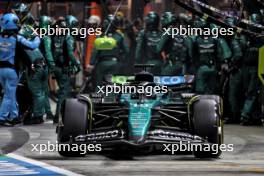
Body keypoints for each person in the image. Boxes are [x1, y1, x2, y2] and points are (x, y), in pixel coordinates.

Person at [0, 13, 40, 126]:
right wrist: (37, 37)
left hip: (0, 71)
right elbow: (32, 46)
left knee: (10, 94)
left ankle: (14, 116)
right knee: (8, 95)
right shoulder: (17, 38)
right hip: (12, 71)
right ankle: (1, 117)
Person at [52, 15, 81, 123]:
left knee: (62, 92)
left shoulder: (57, 35)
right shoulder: (68, 36)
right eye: (74, 25)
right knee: (64, 92)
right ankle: (59, 116)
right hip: (63, 67)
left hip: (56, 66)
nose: (75, 28)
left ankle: (59, 115)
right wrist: (77, 64)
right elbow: (69, 53)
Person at [192, 17, 232, 94]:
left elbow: (192, 55)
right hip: (213, 68)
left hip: (202, 68)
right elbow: (224, 54)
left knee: (201, 92)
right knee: (212, 92)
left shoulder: (195, 39)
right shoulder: (215, 39)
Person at [89, 14, 129, 87]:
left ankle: (99, 97)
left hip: (102, 64)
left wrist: (91, 63)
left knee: (99, 86)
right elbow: (126, 51)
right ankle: (111, 97)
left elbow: (95, 51)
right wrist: (121, 60)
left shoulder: (100, 36)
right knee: (113, 86)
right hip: (115, 64)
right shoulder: (119, 37)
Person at [240, 14, 262, 125]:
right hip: (245, 68)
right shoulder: (245, 36)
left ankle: (245, 116)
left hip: (256, 68)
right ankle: (248, 115)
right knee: (246, 92)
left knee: (251, 93)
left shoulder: (261, 37)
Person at [224, 17, 247, 123]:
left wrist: (231, 65)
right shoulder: (241, 37)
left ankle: (235, 117)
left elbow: (238, 55)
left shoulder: (235, 39)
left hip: (237, 70)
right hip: (242, 69)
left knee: (233, 95)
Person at [39, 15, 55, 120]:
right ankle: (46, 112)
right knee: (44, 90)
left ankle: (45, 112)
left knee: (40, 90)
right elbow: (48, 53)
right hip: (43, 66)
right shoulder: (46, 38)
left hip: (34, 65)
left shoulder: (36, 35)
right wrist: (52, 64)